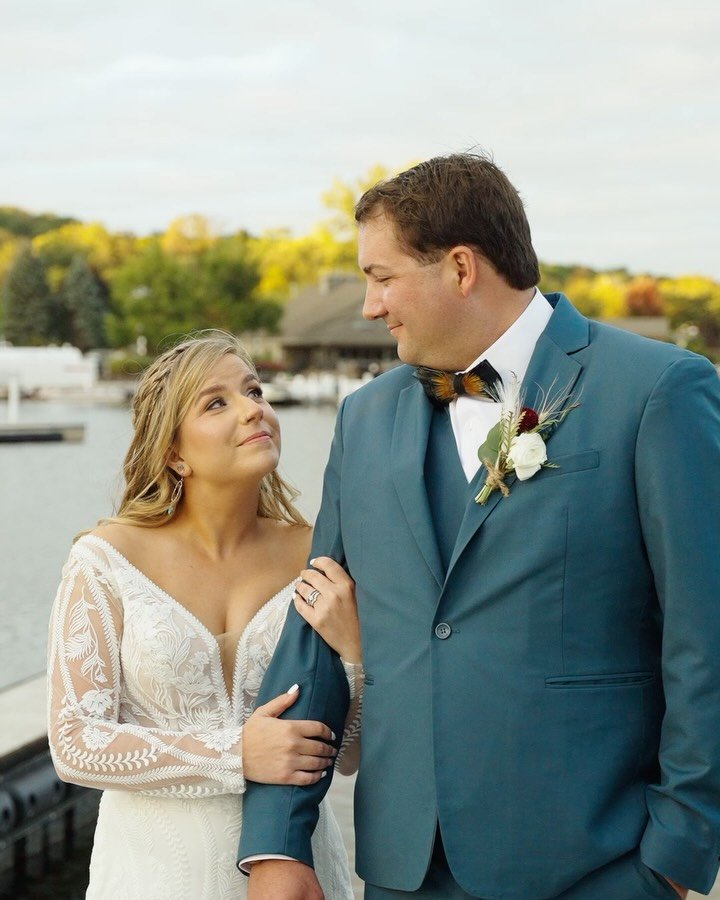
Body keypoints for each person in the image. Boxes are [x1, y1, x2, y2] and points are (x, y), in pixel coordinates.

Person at [238, 153, 720, 899]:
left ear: (460, 267)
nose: (369, 305)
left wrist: (676, 857)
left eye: (382, 276)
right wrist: (277, 843)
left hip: (597, 866)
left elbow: (706, 637)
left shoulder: (656, 391)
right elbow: (314, 624)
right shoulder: (362, 420)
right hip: (403, 869)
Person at [47, 331, 363, 899]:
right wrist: (237, 753)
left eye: (254, 390)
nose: (254, 410)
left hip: (297, 872)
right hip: (149, 876)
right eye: (217, 403)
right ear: (173, 452)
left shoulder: (321, 553)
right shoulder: (106, 560)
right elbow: (75, 743)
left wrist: (359, 657)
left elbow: (352, 754)